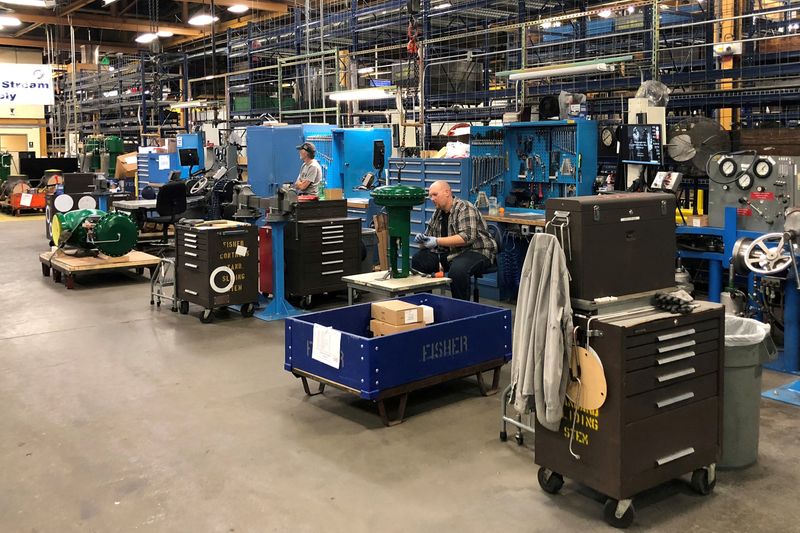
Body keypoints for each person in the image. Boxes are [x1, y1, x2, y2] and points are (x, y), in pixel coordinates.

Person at [412, 180, 497, 300]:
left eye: (435, 195)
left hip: (476, 251)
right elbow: (428, 241)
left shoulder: (464, 207)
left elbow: (467, 237)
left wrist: (436, 241)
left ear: (447, 192)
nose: (432, 198)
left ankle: (461, 312)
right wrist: (422, 241)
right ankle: (425, 306)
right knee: (419, 260)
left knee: (457, 271)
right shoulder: (437, 213)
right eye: (430, 195)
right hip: (451, 254)